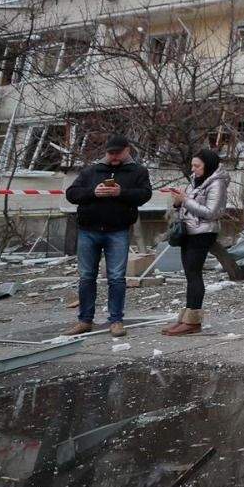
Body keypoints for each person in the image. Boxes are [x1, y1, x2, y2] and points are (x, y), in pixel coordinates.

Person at [64, 136, 152, 337]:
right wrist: (94, 192)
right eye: (110, 153)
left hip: (118, 231)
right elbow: (72, 194)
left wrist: (121, 192)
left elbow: (145, 195)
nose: (113, 157)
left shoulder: (138, 171)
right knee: (86, 277)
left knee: (116, 278)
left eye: (117, 153)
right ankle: (85, 320)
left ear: (127, 150)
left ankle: (116, 321)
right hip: (88, 230)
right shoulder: (91, 171)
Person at [161, 148, 229, 336]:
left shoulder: (217, 184)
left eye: (197, 166)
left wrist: (186, 200)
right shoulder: (196, 181)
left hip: (203, 233)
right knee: (189, 274)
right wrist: (177, 202)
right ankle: (186, 318)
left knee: (194, 274)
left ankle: (193, 322)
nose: (193, 169)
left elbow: (212, 212)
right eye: (192, 165)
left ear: (208, 166)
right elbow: (188, 205)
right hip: (189, 231)